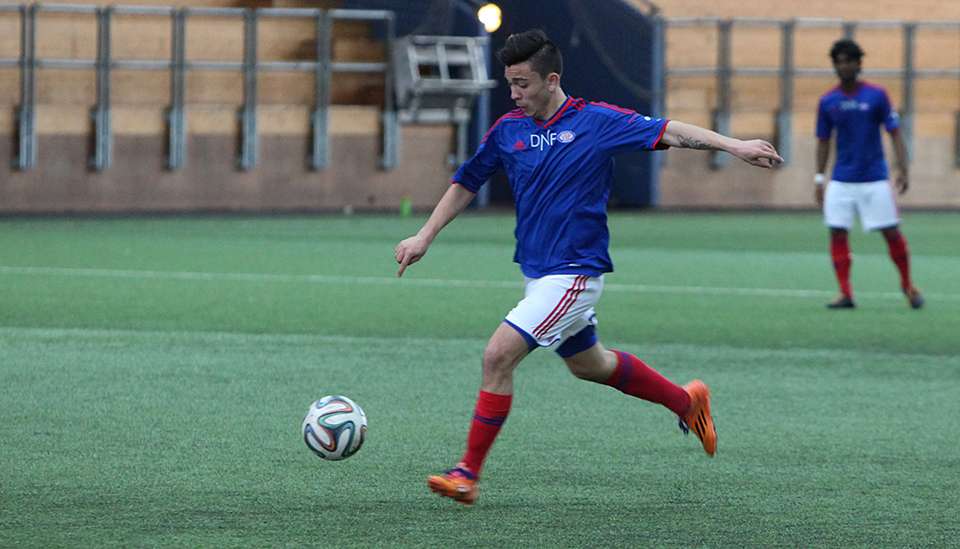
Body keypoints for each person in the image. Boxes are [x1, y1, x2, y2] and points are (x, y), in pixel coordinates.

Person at [393, 29, 783, 505]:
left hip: (575, 274)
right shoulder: (508, 130)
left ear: (551, 79)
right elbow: (467, 181)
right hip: (538, 274)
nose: (514, 95)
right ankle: (687, 401)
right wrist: (424, 236)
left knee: (497, 356)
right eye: (509, 84)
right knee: (589, 365)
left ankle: (466, 474)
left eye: (522, 84)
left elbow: (673, 130)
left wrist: (734, 145)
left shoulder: (597, 122)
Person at [815, 38, 924, 309]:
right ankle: (845, 292)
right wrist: (819, 177)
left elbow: (895, 132)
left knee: (891, 231)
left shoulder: (877, 95)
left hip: (874, 178)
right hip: (841, 179)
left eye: (848, 60)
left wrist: (903, 168)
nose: (844, 66)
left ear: (859, 63)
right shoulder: (828, 101)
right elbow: (823, 140)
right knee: (837, 232)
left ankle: (907, 285)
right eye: (838, 62)